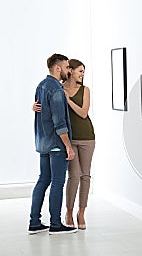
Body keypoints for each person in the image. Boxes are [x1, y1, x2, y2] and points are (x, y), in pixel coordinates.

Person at [33, 59, 95, 230]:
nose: (81, 74)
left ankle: (79, 212)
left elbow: (83, 113)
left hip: (81, 137)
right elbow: (56, 117)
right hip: (64, 139)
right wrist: (34, 106)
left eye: (83, 71)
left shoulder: (82, 90)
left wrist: (68, 101)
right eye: (77, 70)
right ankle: (62, 217)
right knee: (68, 178)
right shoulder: (58, 89)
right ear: (67, 71)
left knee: (83, 176)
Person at [28, 54, 77, 235]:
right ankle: (56, 224)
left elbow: (40, 111)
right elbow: (59, 122)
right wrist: (68, 147)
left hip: (43, 142)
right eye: (66, 67)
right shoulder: (55, 89)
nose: (68, 71)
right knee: (57, 182)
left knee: (43, 180)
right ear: (57, 68)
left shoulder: (41, 85)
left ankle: (34, 222)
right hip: (56, 143)